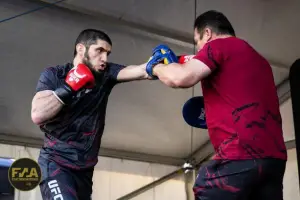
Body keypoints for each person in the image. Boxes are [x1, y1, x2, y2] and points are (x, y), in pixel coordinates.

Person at [147, 10, 287, 200]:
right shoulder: (260, 61)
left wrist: (156, 66)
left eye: (197, 41)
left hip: (240, 154)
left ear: (207, 33)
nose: (199, 49)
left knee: (205, 191)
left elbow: (180, 78)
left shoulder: (217, 46)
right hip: (274, 160)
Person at [31, 29, 150, 200]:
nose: (104, 58)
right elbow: (37, 114)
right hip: (56, 164)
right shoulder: (55, 75)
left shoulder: (105, 74)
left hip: (85, 170)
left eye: (107, 53)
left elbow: (140, 71)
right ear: (81, 49)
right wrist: (68, 88)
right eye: (99, 51)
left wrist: (161, 64)